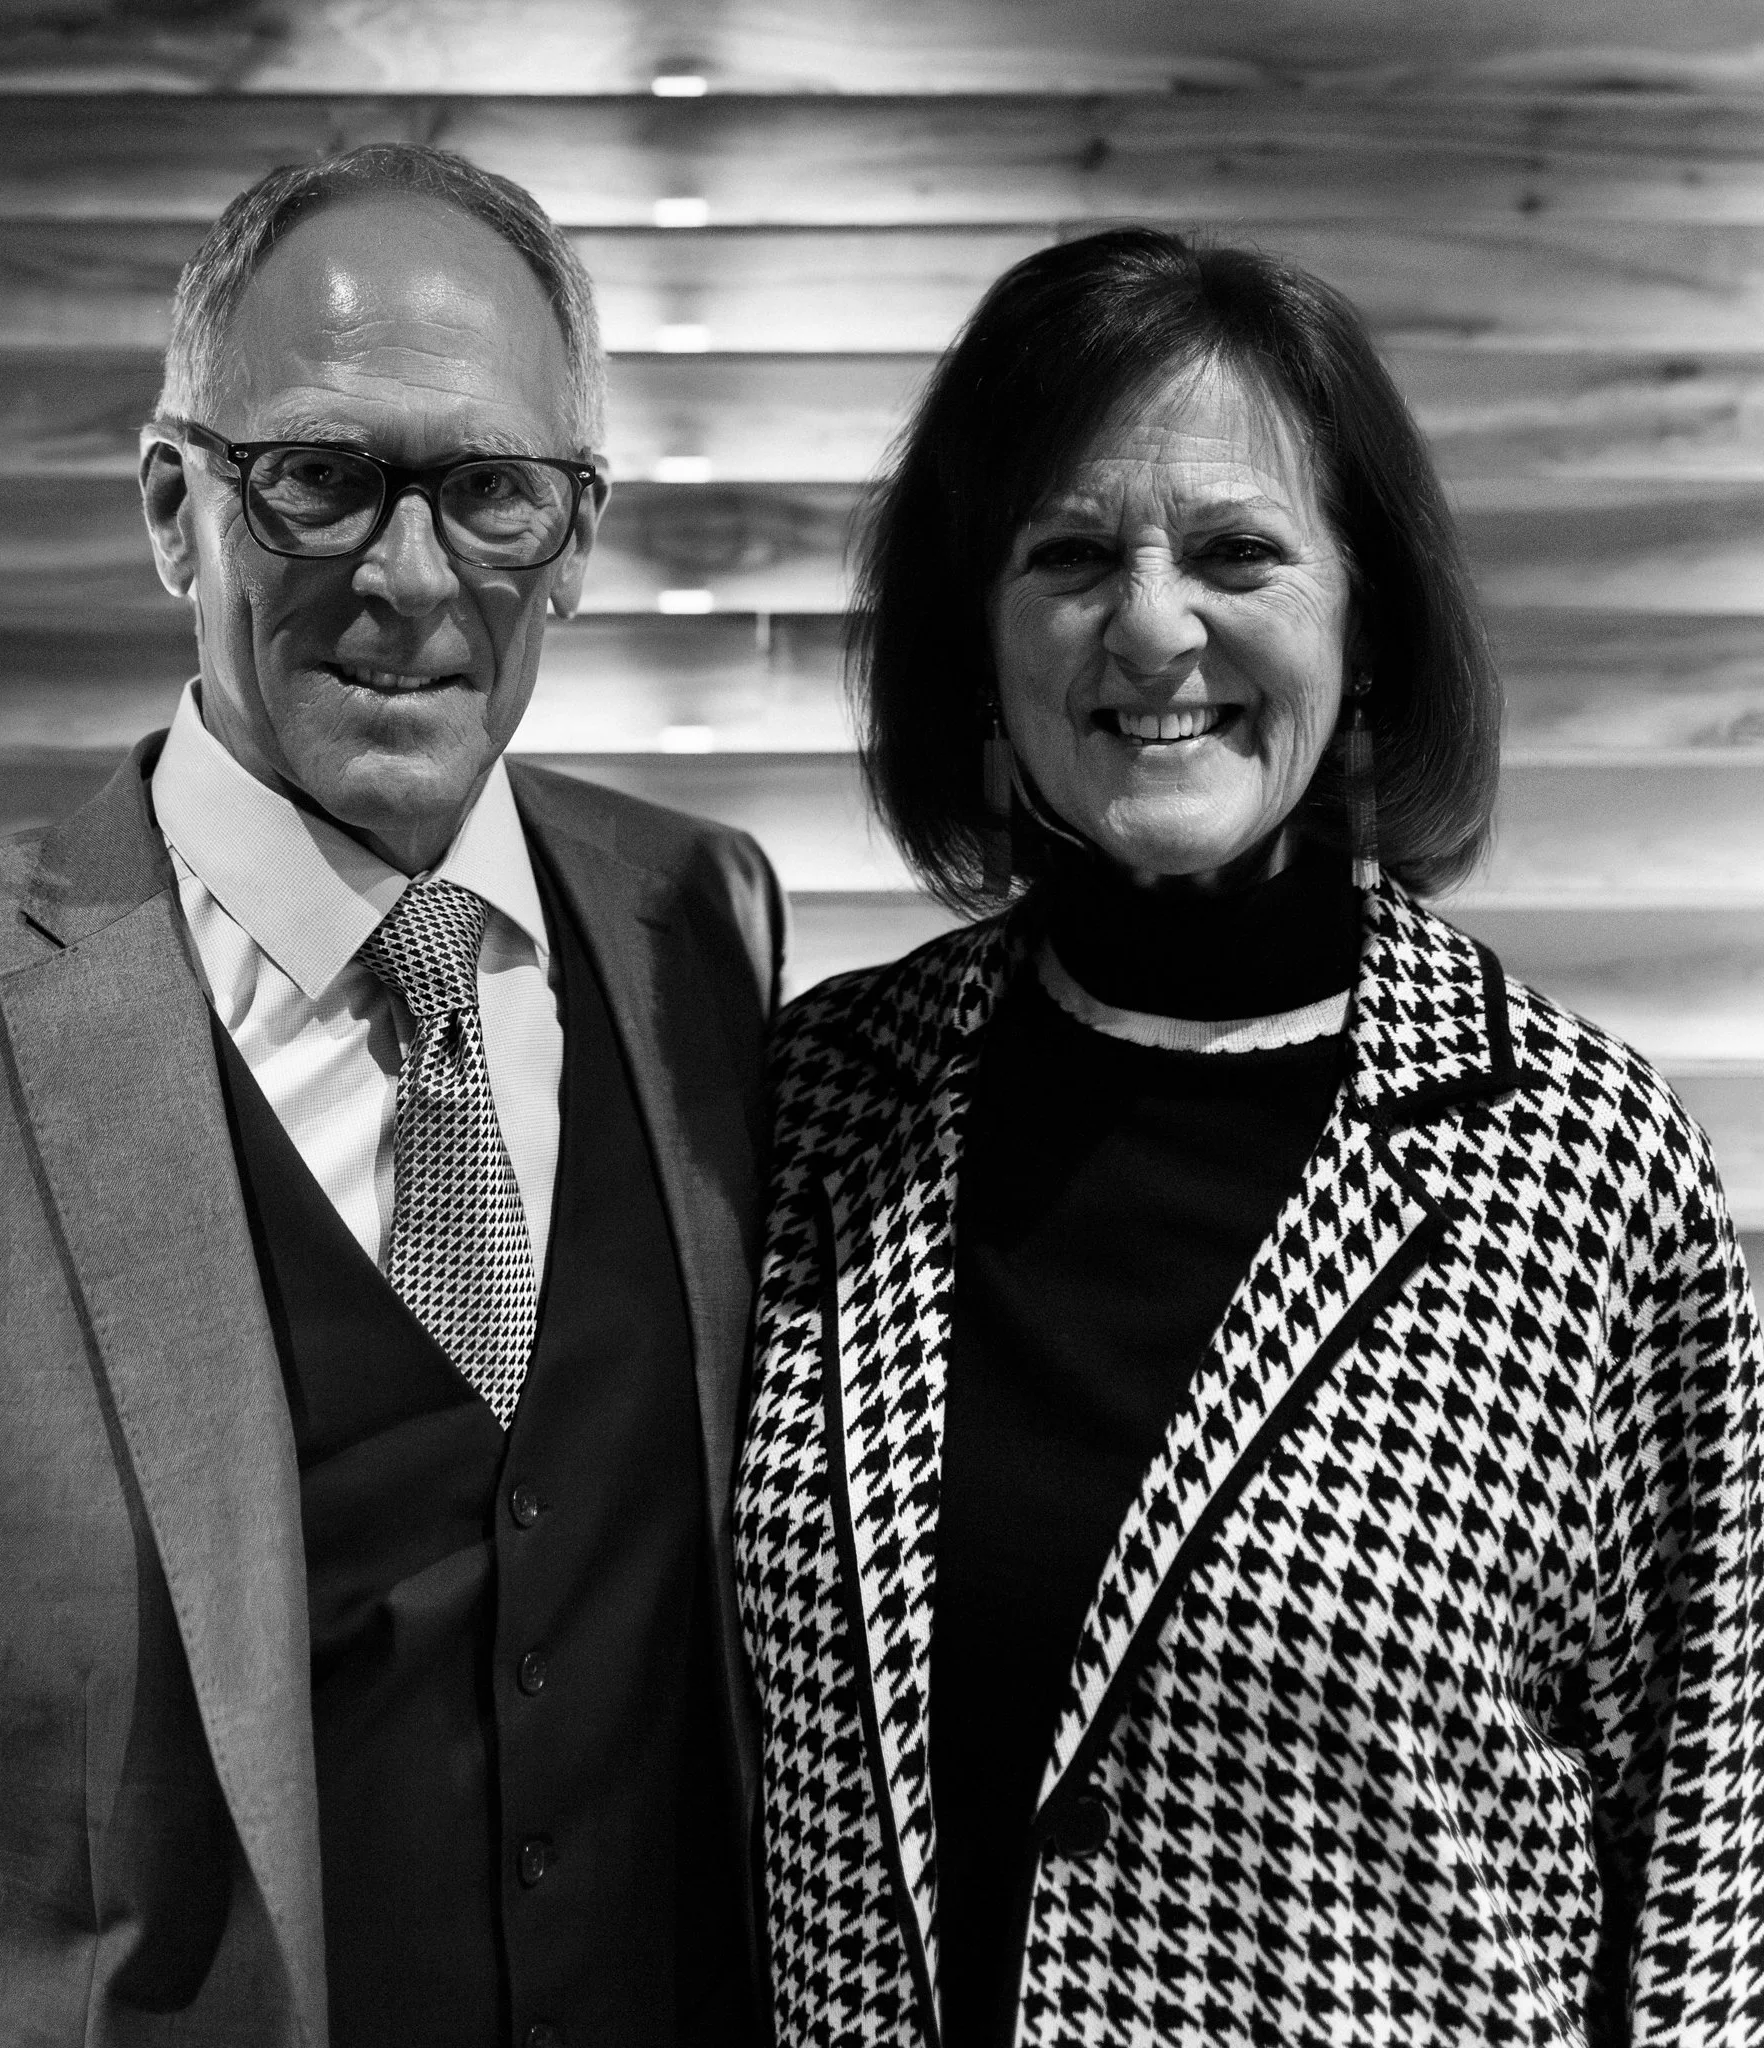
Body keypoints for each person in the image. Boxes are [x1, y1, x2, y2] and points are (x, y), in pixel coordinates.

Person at [0, 145, 776, 2047]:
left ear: (579, 531)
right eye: (318, 479)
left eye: (493, 491)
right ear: (171, 507)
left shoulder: (700, 925)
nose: (411, 571)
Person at [735, 227, 1763, 2046]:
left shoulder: (1587, 1167)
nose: (1149, 628)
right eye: (1067, 555)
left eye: (1234, 552)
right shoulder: (818, 1110)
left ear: (1365, 627)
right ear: (976, 639)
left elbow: (1712, 1873)